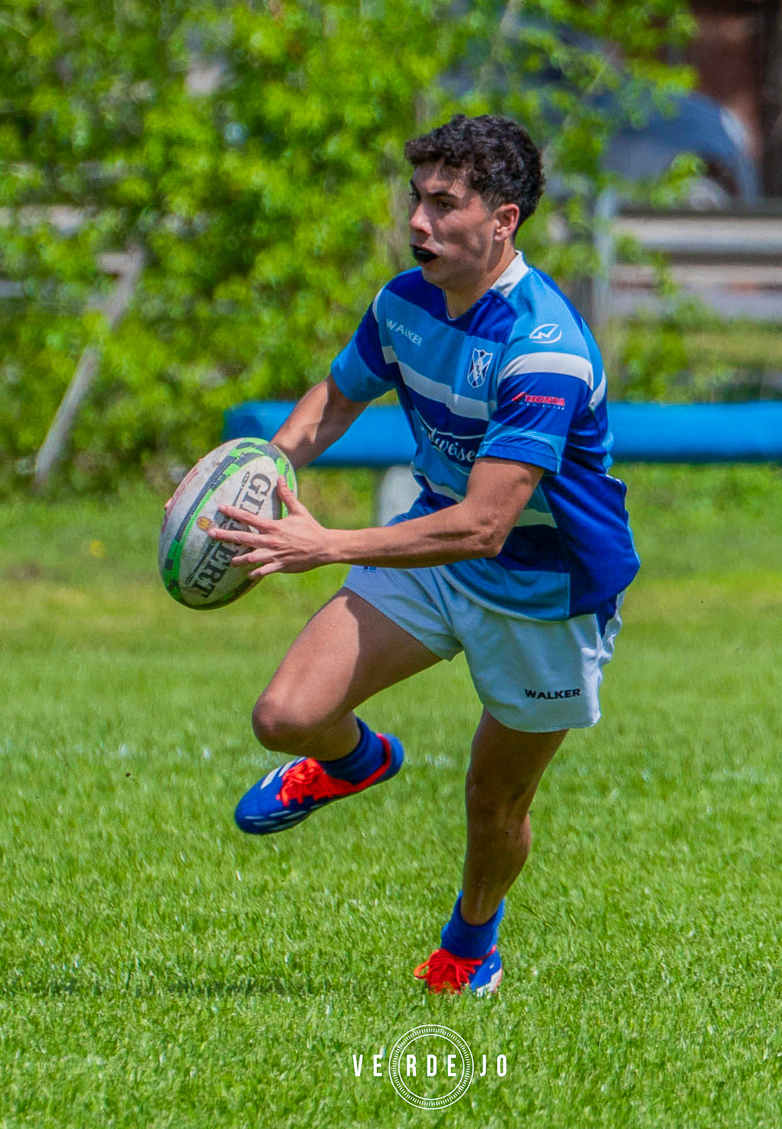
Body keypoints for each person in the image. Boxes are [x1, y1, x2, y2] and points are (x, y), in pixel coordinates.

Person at [207, 114, 638, 995]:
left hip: (542, 591)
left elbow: (486, 524)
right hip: (433, 552)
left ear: (503, 220)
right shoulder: (404, 303)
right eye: (418, 199)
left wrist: (327, 544)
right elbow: (337, 396)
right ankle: (355, 761)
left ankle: (471, 943)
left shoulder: (544, 350)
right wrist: (261, 470)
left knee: (494, 800)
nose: (418, 222)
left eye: (444, 204)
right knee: (284, 715)